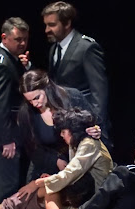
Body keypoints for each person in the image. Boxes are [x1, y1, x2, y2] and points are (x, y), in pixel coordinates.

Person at [42, 2, 111, 147]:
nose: (47, 30)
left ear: (67, 23)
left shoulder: (87, 48)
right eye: (46, 25)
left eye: (52, 25)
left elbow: (99, 91)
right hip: (64, 124)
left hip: (84, 123)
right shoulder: (53, 49)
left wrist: (96, 124)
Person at [0, 17, 31, 209]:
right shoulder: (1, 64)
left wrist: (26, 67)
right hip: (3, 136)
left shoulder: (11, 60)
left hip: (9, 132)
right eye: (18, 39)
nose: (23, 43)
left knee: (9, 186)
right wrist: (7, 139)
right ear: (4, 37)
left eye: (25, 39)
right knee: (4, 188)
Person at [18, 69, 100, 180]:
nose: (34, 103)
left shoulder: (72, 97)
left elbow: (94, 123)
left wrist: (95, 130)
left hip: (81, 162)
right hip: (46, 164)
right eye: (30, 101)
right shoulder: (26, 113)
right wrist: (55, 161)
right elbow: (32, 149)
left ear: (46, 88)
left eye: (37, 97)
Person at [34, 108, 112, 194]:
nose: (61, 135)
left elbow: (73, 172)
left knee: (47, 194)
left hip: (100, 193)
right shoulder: (75, 143)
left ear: (73, 131)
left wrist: (48, 181)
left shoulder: (88, 144)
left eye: (63, 132)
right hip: (87, 189)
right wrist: (52, 179)